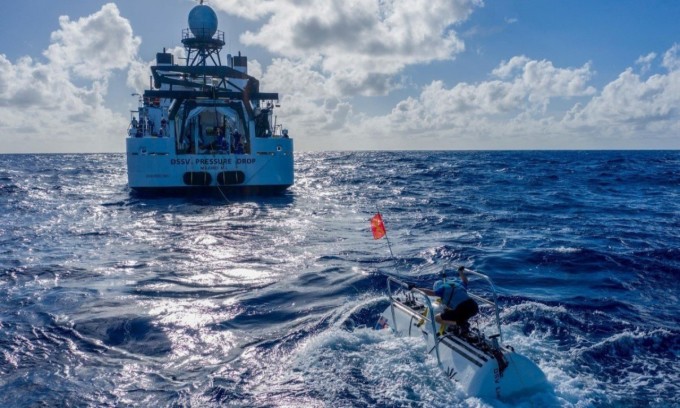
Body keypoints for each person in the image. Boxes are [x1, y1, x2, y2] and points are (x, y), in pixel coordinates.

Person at [411, 266, 479, 332]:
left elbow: (430, 292)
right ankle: (462, 325)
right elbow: (465, 281)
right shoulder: (458, 285)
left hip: (462, 309)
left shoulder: (442, 290)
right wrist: (460, 272)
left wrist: (416, 289)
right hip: (474, 306)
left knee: (437, 318)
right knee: (461, 313)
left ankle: (461, 324)